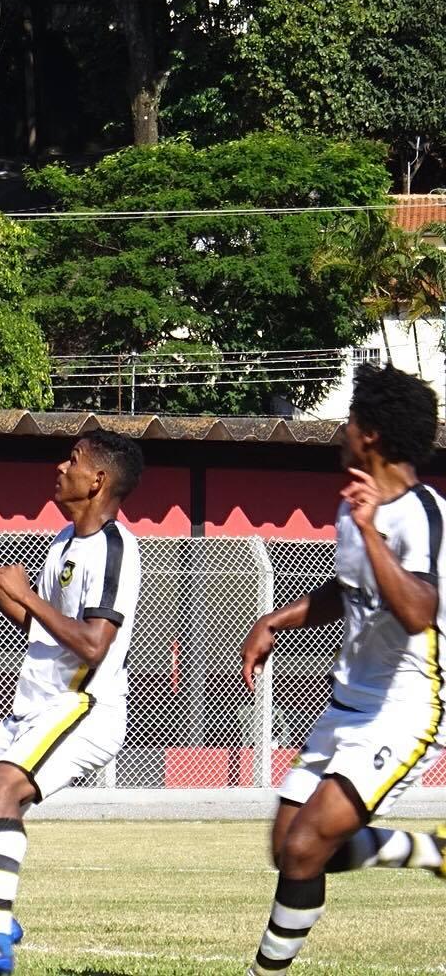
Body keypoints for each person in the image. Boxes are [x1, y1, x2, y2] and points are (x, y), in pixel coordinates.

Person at [0, 429, 144, 975]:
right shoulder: (63, 540)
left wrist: (26, 593)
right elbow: (36, 625)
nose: (61, 467)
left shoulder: (113, 547)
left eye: (74, 460)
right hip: (34, 710)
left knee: (1, 787)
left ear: (99, 481)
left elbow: (92, 643)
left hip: (86, 707)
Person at [240, 365, 446, 976]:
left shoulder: (421, 513)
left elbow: (418, 612)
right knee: (287, 849)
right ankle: (426, 850)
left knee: (307, 846)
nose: (342, 430)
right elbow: (348, 591)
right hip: (348, 706)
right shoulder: (353, 503)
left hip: (407, 710)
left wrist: (370, 531)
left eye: (350, 420)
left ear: (373, 434)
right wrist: (276, 620)